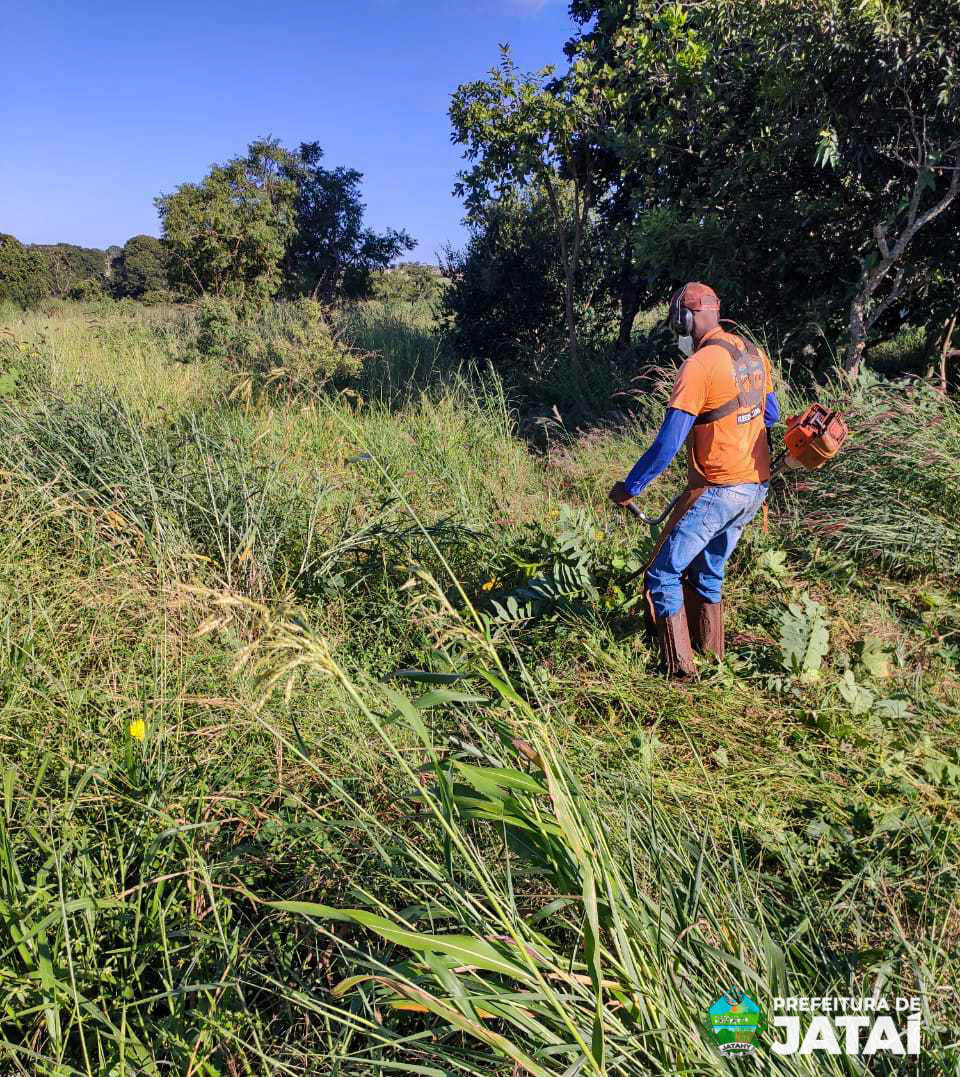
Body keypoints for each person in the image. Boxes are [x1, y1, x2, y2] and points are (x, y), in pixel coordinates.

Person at [609, 282, 781, 677]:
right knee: (708, 571)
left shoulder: (698, 367)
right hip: (755, 488)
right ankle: (712, 656)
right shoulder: (754, 354)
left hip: (721, 491)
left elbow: (667, 445)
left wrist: (629, 488)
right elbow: (771, 415)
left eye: (678, 322)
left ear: (686, 319)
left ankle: (681, 671)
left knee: (663, 574)